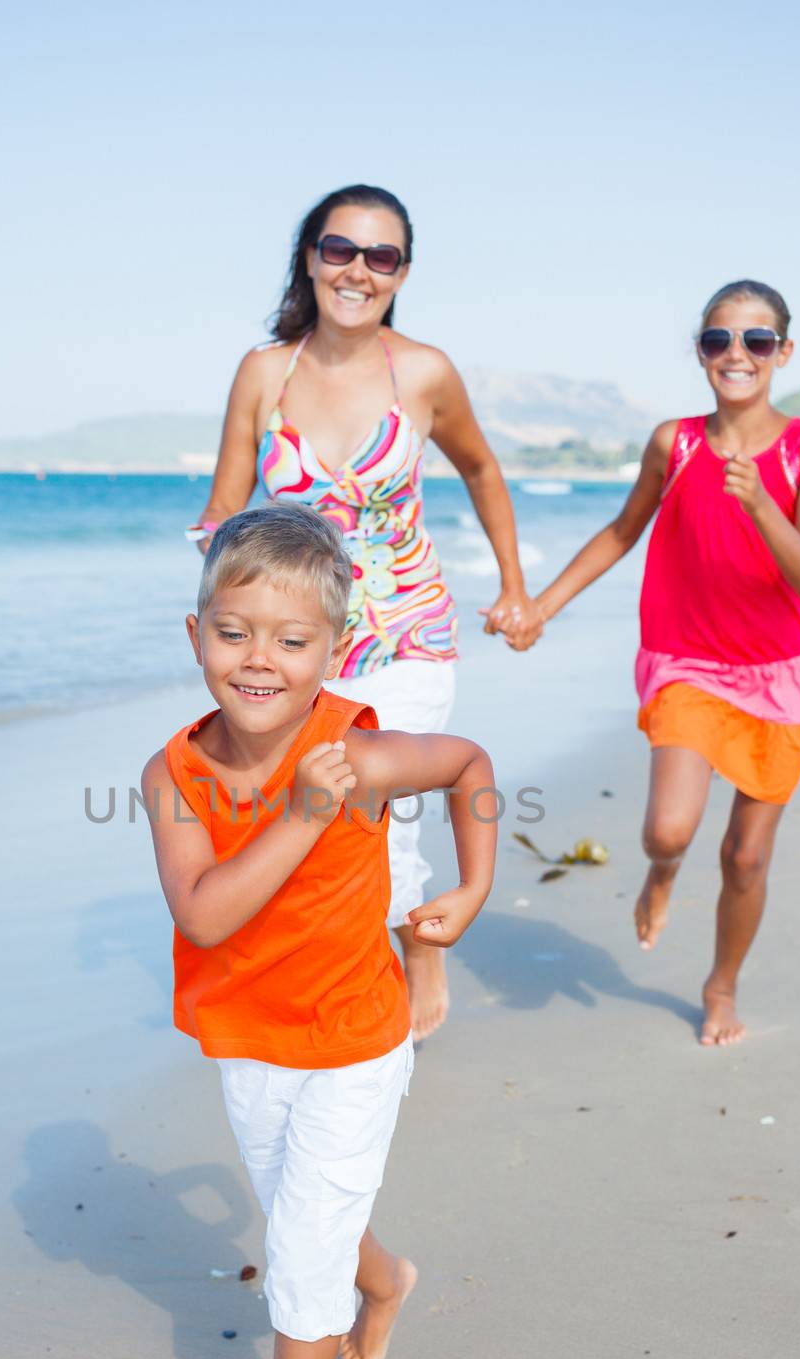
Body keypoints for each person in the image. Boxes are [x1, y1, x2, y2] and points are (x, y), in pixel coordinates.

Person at [142, 503, 497, 1359]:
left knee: (300, 1244)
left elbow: (467, 763)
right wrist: (299, 814)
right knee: (313, 1222)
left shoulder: (358, 754)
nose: (260, 660)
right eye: (233, 631)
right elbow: (205, 916)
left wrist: (469, 890)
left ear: (331, 649)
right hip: (247, 1042)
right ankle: (383, 1281)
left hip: (354, 1039)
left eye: (292, 641)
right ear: (194, 633)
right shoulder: (170, 775)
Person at [186, 182, 538, 1042]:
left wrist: (514, 585)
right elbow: (225, 515)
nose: (356, 271)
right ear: (309, 257)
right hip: (307, 645)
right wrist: (228, 623)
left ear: (401, 273)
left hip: (409, 629)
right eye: (339, 249)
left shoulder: (422, 371)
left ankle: (414, 954)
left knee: (376, 810)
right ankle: (339, 957)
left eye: (380, 257)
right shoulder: (263, 374)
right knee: (323, 815)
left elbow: (483, 472)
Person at [533, 280, 800, 1046]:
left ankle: (719, 985)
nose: (736, 354)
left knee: (745, 855)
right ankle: (661, 875)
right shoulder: (676, 442)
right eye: (717, 340)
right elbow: (619, 531)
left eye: (755, 341)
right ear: (700, 352)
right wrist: (541, 606)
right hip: (688, 663)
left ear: (782, 353)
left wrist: (760, 503)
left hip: (781, 672)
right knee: (669, 830)